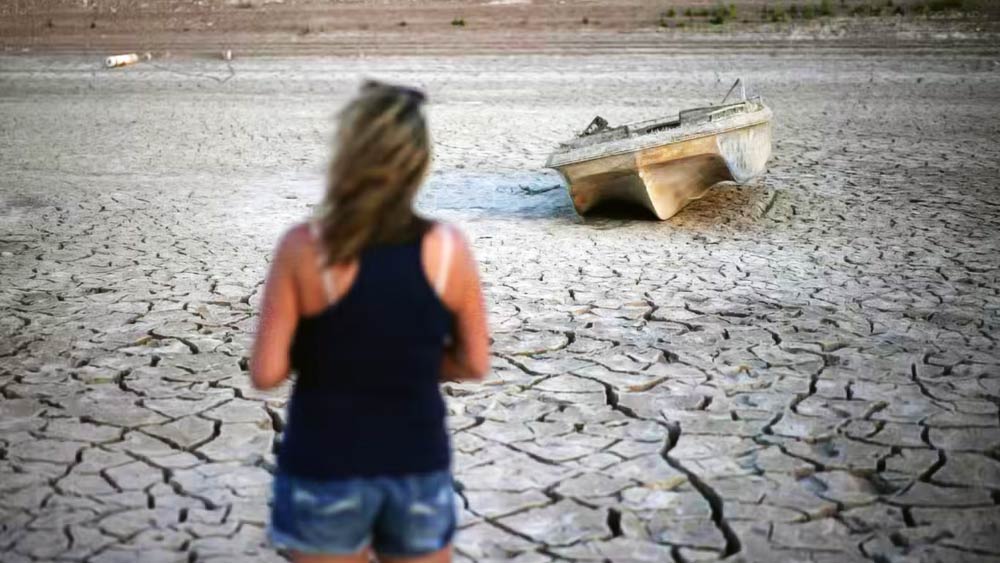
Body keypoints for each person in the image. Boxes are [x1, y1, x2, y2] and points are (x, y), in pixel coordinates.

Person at [250, 81, 490, 563]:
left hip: (325, 464)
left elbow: (266, 372)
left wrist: (334, 356)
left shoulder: (303, 248)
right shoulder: (449, 250)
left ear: (347, 158)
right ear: (418, 162)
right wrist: (407, 358)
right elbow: (473, 362)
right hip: (416, 465)